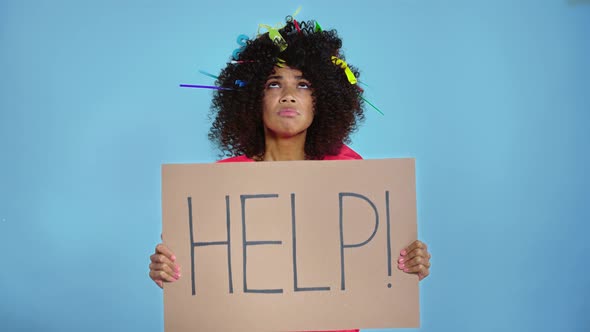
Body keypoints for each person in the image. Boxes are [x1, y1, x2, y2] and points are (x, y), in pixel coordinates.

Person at [150, 15, 431, 332]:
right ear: (253, 98)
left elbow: (371, 267)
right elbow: (204, 278)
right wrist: (171, 272)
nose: (288, 95)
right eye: (273, 83)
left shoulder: (352, 174)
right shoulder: (218, 184)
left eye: (303, 84)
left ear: (321, 100)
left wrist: (407, 263)